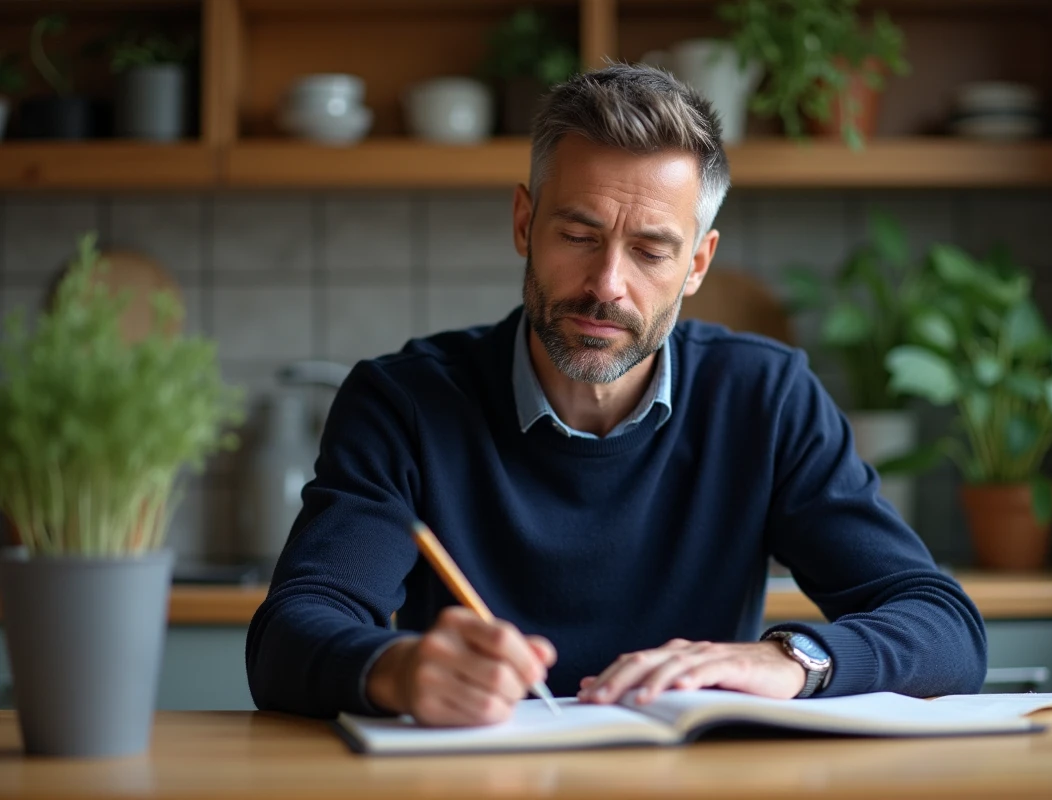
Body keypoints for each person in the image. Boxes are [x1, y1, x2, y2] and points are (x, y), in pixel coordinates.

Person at [246, 64, 987, 726]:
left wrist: (793, 660)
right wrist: (397, 669)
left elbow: (945, 626)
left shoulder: (765, 397)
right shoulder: (401, 402)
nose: (607, 285)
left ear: (697, 264)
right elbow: (289, 633)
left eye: (651, 251)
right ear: (524, 223)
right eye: (578, 236)